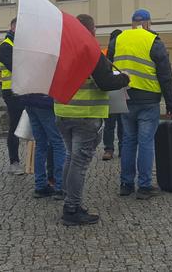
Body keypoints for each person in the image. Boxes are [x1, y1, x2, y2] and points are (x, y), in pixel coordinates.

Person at [54, 15, 130, 225]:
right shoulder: (90, 49)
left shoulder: (61, 49)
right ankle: (71, 209)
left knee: (70, 157)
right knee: (79, 162)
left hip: (62, 111)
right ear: (91, 30)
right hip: (85, 115)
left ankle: (69, 201)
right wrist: (124, 78)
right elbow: (105, 81)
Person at [108, 8, 172, 200]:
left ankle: (126, 183)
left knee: (128, 140)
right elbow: (165, 75)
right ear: (147, 23)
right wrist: (171, 102)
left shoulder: (118, 40)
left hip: (125, 96)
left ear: (132, 23)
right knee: (146, 142)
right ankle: (145, 185)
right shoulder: (153, 40)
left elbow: (108, 66)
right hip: (148, 98)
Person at [0, 17, 24, 175]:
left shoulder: (19, 45)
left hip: (24, 90)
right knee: (15, 127)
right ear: (14, 28)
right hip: (12, 92)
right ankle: (14, 162)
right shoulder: (5, 47)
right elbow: (17, 67)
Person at [102, 29, 124, 160]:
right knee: (120, 123)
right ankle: (120, 149)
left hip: (113, 90)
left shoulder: (106, 53)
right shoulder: (106, 54)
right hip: (117, 89)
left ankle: (109, 149)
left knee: (111, 124)